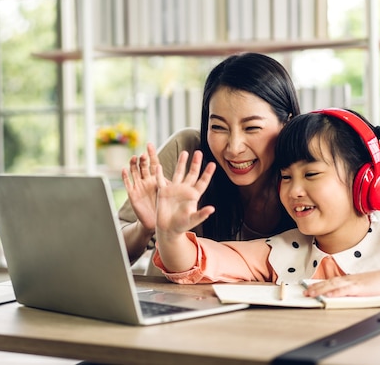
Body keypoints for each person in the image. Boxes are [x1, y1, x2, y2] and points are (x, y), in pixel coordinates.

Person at [151, 108, 380, 299]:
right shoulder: (280, 252)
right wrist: (169, 234)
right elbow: (194, 261)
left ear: (366, 180)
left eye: (311, 174)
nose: (294, 190)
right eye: (285, 177)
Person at [120, 52, 300, 267]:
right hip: (177, 300)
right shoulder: (187, 153)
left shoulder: (309, 174)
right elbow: (105, 257)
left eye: (252, 128)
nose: (234, 148)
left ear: (287, 124)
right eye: (218, 127)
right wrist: (144, 227)